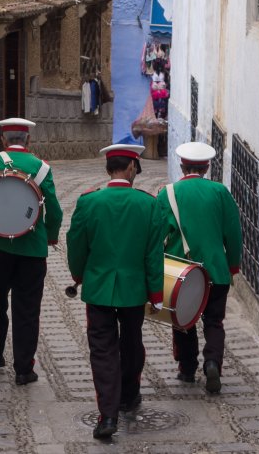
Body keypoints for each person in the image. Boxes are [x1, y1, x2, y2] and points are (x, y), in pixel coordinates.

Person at [66, 144, 164, 440]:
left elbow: (76, 243)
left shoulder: (89, 202)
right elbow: (153, 254)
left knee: (102, 350)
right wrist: (156, 293)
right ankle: (129, 395)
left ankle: (107, 414)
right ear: (132, 167)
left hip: (99, 288)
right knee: (132, 342)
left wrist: (80, 274)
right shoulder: (148, 204)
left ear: (109, 169)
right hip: (134, 290)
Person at [0, 118, 63, 385]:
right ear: (28, 140)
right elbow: (54, 211)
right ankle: (23, 369)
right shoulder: (42, 169)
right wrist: (51, 237)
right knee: (28, 309)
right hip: (32, 250)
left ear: (4, 140)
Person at [156, 141, 242, 394]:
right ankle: (213, 362)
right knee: (214, 321)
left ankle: (187, 368)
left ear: (182, 166)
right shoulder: (220, 192)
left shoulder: (167, 194)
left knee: (183, 320)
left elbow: (158, 233)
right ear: (206, 167)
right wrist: (233, 264)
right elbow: (233, 233)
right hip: (216, 269)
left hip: (182, 272)